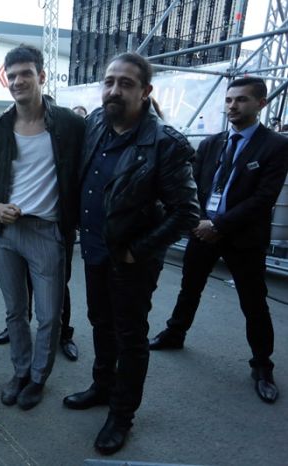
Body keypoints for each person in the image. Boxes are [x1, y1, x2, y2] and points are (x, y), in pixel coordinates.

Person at [62, 52, 199, 455]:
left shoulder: (164, 143)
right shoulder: (95, 123)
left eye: (125, 83)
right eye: (109, 81)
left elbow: (186, 213)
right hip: (94, 250)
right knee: (100, 323)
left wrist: (137, 252)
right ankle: (102, 387)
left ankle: (122, 416)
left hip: (130, 261)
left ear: (145, 91)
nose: (114, 90)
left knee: (130, 337)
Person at [149, 77, 288, 404]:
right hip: (203, 231)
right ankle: (175, 333)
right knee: (189, 288)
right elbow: (194, 186)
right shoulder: (212, 143)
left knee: (254, 302)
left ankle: (262, 365)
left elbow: (264, 198)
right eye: (228, 100)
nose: (232, 106)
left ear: (261, 104)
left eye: (241, 100)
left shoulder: (276, 146)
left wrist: (219, 225)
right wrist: (199, 221)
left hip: (243, 238)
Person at [0, 44, 85, 411]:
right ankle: (20, 371)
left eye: (26, 73)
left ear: (41, 76)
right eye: (12, 76)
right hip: (5, 233)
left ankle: (38, 377)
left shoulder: (70, 124)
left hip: (47, 232)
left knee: (49, 315)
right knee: (15, 311)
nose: (18, 81)